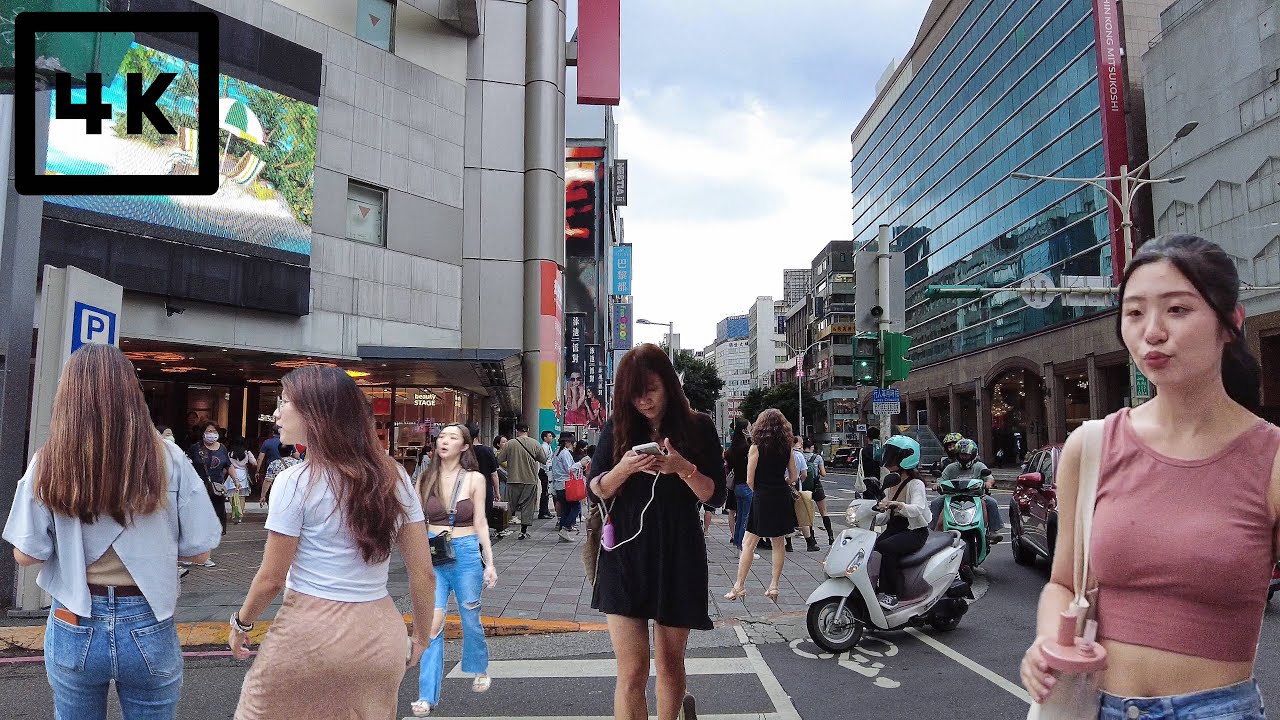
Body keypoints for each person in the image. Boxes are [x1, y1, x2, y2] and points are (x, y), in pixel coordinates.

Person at [1021, 234, 1280, 716]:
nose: (1152, 332)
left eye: (1177, 310)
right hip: (1099, 706)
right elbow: (1063, 582)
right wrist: (1046, 643)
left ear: (1232, 324)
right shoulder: (1091, 446)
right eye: (1135, 313)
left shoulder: (1271, 459)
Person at [3, 344, 221, 720]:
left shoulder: (48, 461)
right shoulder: (169, 458)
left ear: (68, 396)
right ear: (131, 393)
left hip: (74, 617)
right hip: (149, 617)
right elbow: (200, 551)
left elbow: (28, 554)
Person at [228, 366, 436, 719]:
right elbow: (424, 574)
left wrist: (241, 623)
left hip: (310, 634)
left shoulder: (295, 481)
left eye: (285, 402)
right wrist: (420, 637)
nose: (277, 413)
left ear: (316, 414)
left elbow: (271, 579)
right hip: (380, 637)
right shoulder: (393, 474)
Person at [588, 344, 725, 720]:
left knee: (669, 663)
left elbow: (716, 496)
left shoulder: (698, 427)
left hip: (679, 553)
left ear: (669, 384)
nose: (643, 401)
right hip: (625, 555)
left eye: (651, 389)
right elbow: (594, 488)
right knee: (631, 670)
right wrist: (626, 468)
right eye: (634, 393)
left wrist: (683, 468)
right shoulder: (617, 427)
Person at [412, 423, 498, 716]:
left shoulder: (475, 479)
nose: (445, 441)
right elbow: (414, 520)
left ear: (465, 446)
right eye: (442, 436)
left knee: (469, 617)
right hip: (433, 553)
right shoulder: (426, 478)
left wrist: (489, 561)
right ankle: (426, 695)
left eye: (453, 437)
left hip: (465, 555)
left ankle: (479, 667)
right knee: (432, 626)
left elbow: (481, 522)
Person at [726, 408, 800, 604]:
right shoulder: (787, 448)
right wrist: (781, 483)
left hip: (762, 496)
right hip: (781, 496)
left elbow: (750, 480)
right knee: (778, 543)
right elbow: (793, 477)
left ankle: (739, 586)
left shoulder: (756, 447)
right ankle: (774, 585)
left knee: (748, 543)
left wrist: (762, 487)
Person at [871, 436, 931, 609]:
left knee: (887, 547)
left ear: (905, 457)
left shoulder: (915, 483)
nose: (888, 459)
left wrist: (899, 505)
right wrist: (873, 514)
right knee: (872, 546)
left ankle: (892, 594)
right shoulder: (892, 482)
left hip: (914, 531)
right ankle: (877, 588)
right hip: (895, 528)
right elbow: (886, 514)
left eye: (892, 455)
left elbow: (918, 508)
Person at [930, 438, 1003, 543]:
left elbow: (989, 478)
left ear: (972, 455)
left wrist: (988, 483)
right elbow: (941, 479)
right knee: (935, 502)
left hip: (977, 496)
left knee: (992, 502)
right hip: (952, 497)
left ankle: (992, 531)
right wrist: (937, 485)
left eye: (966, 455)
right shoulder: (951, 468)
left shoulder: (979, 466)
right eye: (961, 454)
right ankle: (931, 530)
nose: (964, 457)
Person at [497, 423, 547, 540]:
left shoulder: (510, 444)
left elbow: (499, 459)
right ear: (528, 430)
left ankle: (502, 529)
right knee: (528, 506)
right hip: (530, 480)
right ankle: (523, 531)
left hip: (513, 479)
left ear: (517, 431)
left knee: (509, 505)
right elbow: (543, 459)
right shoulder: (535, 443)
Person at [189, 421, 230, 546]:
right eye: (209, 431)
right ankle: (199, 547)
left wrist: (236, 480)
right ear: (203, 433)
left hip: (217, 490)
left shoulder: (222, 448)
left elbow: (228, 465)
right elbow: (187, 466)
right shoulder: (195, 448)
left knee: (216, 517)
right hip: (199, 489)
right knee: (200, 519)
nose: (212, 434)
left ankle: (208, 546)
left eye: (214, 431)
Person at [802, 438, 836, 545]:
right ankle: (830, 536)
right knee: (823, 512)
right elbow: (823, 473)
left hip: (804, 487)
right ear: (812, 447)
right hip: (817, 487)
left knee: (808, 513)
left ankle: (812, 537)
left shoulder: (799, 456)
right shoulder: (817, 457)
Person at [789, 435, 820, 552]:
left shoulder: (781, 455)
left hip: (784, 488)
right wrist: (799, 482)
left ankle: (788, 544)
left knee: (787, 515)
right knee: (802, 514)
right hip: (797, 487)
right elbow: (804, 474)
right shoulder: (798, 456)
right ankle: (810, 542)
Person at [726, 419, 752, 549]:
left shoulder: (732, 449)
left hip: (737, 485)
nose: (751, 430)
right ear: (744, 430)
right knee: (746, 518)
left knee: (740, 516)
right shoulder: (747, 448)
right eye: (749, 427)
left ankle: (737, 543)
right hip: (747, 485)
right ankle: (742, 546)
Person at [550, 431, 581, 543]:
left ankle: (563, 532)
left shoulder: (556, 452)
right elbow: (570, 469)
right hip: (566, 484)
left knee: (565, 509)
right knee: (576, 507)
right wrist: (580, 464)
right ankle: (565, 528)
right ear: (568, 442)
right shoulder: (565, 453)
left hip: (559, 485)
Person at [226, 437, 257, 525]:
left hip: (232, 474)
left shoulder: (230, 453)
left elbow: (226, 464)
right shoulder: (247, 453)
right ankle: (240, 515)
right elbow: (254, 463)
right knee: (242, 496)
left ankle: (234, 513)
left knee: (232, 495)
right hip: (243, 474)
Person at [860, 426, 885, 501]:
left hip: (866, 482)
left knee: (868, 502)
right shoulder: (881, 450)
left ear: (867, 437)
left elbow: (860, 467)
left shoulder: (863, 450)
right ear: (878, 436)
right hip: (880, 482)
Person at [538, 430, 557, 519]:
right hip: (544, 471)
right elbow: (545, 461)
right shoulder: (544, 447)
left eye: (552, 436)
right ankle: (542, 512)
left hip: (547, 471)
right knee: (545, 492)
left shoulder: (548, 446)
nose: (551, 438)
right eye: (549, 436)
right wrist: (547, 472)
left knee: (547, 492)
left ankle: (546, 511)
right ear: (545, 438)